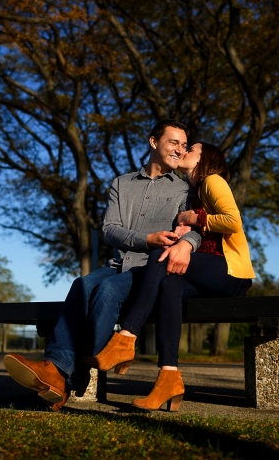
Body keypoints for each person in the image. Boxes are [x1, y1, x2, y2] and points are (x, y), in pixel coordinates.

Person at [2, 120, 201, 411]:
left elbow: (197, 229)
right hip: (118, 264)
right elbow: (109, 229)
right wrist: (148, 237)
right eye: (174, 142)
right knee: (81, 284)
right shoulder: (122, 183)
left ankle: (62, 375)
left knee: (107, 290)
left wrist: (187, 243)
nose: (179, 150)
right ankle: (59, 374)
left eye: (184, 145)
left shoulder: (184, 190)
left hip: (150, 270)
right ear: (153, 142)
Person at [84, 141, 255, 412]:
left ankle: (126, 337)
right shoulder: (194, 191)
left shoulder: (212, 180)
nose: (184, 152)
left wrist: (195, 217)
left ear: (204, 159)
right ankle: (169, 377)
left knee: (157, 257)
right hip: (206, 273)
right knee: (170, 286)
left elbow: (233, 221)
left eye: (192, 150)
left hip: (230, 273)